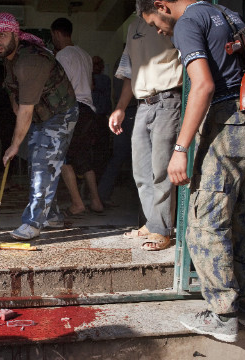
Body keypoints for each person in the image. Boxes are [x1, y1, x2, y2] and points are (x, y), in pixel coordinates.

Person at [137, 0, 245, 343]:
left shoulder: (187, 23)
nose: (158, 30)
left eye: (155, 22)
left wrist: (180, 149)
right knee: (244, 218)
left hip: (227, 121)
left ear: (162, 5)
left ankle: (223, 314)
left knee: (205, 222)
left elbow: (202, 85)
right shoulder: (229, 15)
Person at [0, 12, 78, 240]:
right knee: (39, 165)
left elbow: (26, 109)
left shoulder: (30, 60)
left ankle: (33, 223)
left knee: (42, 166)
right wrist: (16, 110)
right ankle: (53, 216)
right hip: (40, 115)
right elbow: (13, 90)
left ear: (15, 35)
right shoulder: (10, 58)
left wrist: (14, 145)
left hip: (60, 114)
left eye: (3, 35)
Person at [108, 17, 182, 251]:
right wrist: (120, 107)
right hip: (143, 103)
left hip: (169, 98)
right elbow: (130, 71)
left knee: (161, 170)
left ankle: (162, 229)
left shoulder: (171, 19)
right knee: (141, 171)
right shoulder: (133, 27)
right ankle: (153, 223)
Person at [50, 17, 105, 216]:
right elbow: (90, 85)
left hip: (72, 109)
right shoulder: (85, 54)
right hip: (89, 109)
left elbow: (61, 87)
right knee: (84, 158)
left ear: (56, 33)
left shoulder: (63, 55)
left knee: (62, 157)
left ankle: (77, 203)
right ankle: (96, 201)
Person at [97, 54, 136, 207]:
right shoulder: (130, 60)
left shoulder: (120, 63)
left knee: (119, 157)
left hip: (123, 111)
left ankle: (103, 193)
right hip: (131, 111)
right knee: (134, 158)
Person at [91, 55, 113, 178]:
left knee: (96, 152)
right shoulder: (104, 79)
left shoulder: (99, 80)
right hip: (99, 119)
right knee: (100, 152)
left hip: (97, 118)